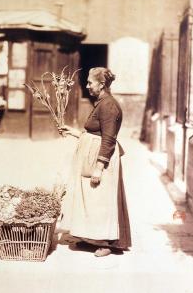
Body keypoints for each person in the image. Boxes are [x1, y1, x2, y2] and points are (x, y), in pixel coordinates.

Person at [59, 67, 131, 257]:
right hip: (93, 153)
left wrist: (99, 168)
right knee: (92, 198)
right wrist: (74, 133)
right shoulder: (101, 102)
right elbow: (94, 131)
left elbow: (108, 139)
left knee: (100, 199)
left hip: (101, 158)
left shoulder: (108, 105)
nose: (87, 85)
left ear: (102, 84)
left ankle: (106, 242)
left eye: (90, 82)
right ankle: (89, 238)